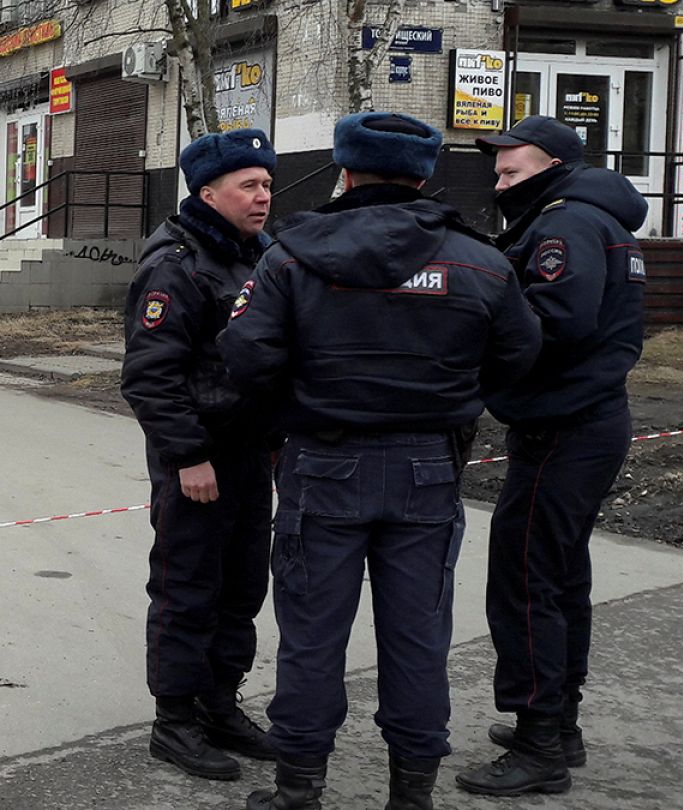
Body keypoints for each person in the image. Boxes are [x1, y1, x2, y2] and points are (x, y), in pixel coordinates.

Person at [219, 112, 541, 810]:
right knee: (419, 636)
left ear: (345, 171)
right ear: (425, 176)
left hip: (322, 464)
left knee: (311, 635)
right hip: (427, 467)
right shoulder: (479, 260)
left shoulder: (291, 257)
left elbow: (245, 354)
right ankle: (412, 792)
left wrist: (297, 408)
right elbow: (519, 354)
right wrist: (451, 397)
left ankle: (299, 788)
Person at [455, 115, 647, 797]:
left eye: (512, 171)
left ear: (554, 166)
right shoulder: (595, 218)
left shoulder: (564, 225)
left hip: (565, 427)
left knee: (527, 579)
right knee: (560, 576)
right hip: (587, 421)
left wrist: (472, 335)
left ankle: (540, 744)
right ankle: (559, 722)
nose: (500, 182)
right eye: (499, 172)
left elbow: (553, 322)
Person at [120, 128, 280, 781]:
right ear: (208, 192)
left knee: (241, 588)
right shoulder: (176, 265)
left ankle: (219, 705)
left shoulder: (258, 256)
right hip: (197, 459)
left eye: (267, 183)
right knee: (188, 588)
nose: (263, 195)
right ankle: (175, 722)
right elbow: (151, 376)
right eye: (249, 185)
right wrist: (187, 455)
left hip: (247, 455)